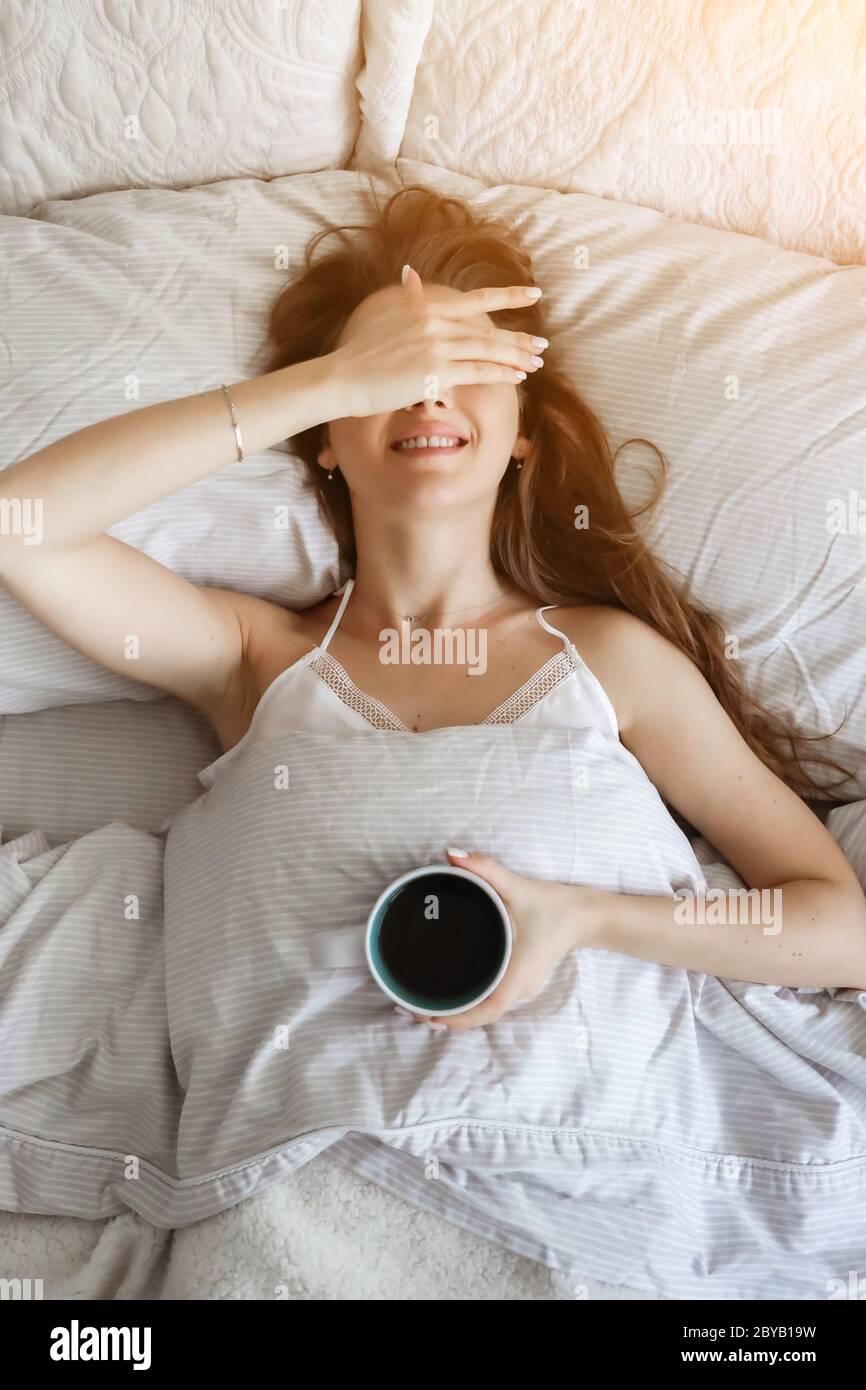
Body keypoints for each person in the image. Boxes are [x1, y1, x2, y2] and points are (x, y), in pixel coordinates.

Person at [2, 184, 864, 1032]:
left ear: (523, 431)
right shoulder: (254, 658)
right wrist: (326, 384)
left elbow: (842, 930)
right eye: (396, 365)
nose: (428, 390)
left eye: (466, 363)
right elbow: (22, 526)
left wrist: (587, 918)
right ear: (327, 443)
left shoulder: (612, 661)